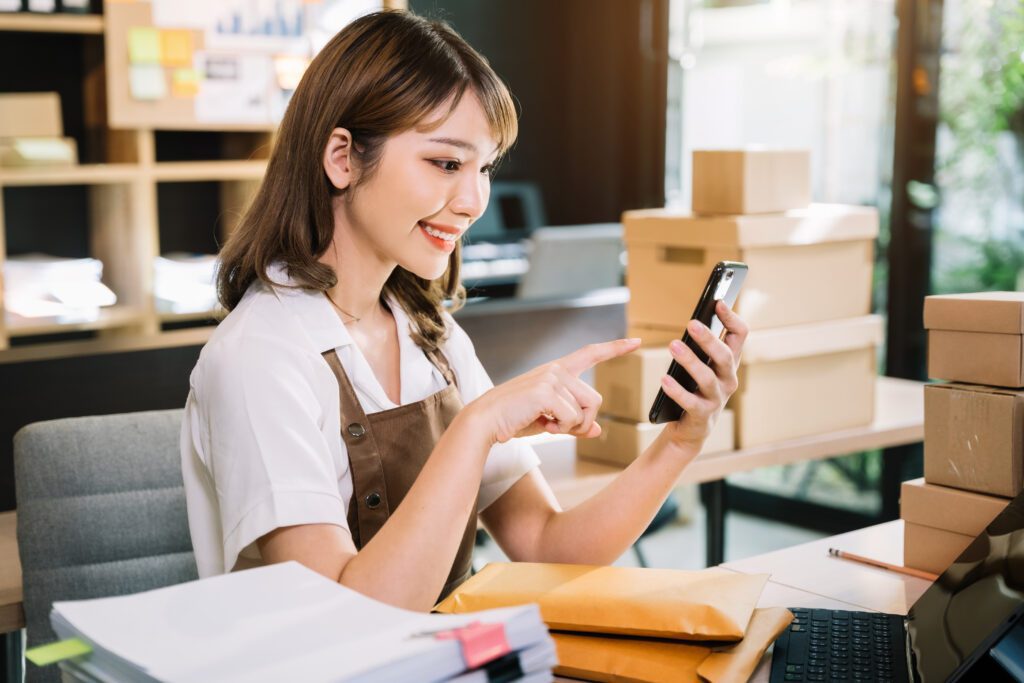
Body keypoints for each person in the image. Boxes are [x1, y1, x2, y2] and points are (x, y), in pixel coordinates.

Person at [180, 9, 748, 612]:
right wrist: (477, 426)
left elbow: (547, 545)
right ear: (342, 158)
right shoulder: (260, 357)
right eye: (447, 164)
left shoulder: (431, 336)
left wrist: (683, 439)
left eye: (484, 168)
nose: (475, 201)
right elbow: (341, 621)